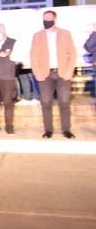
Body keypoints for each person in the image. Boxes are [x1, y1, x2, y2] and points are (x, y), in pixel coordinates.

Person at [30, 10, 77, 139]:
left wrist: (69, 71)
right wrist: (37, 73)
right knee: (45, 103)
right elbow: (33, 56)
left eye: (49, 18)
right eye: (44, 18)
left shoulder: (65, 34)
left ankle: (66, 130)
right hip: (45, 75)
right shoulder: (37, 36)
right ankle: (48, 130)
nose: (46, 21)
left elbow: (72, 53)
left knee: (65, 102)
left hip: (62, 74)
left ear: (55, 20)